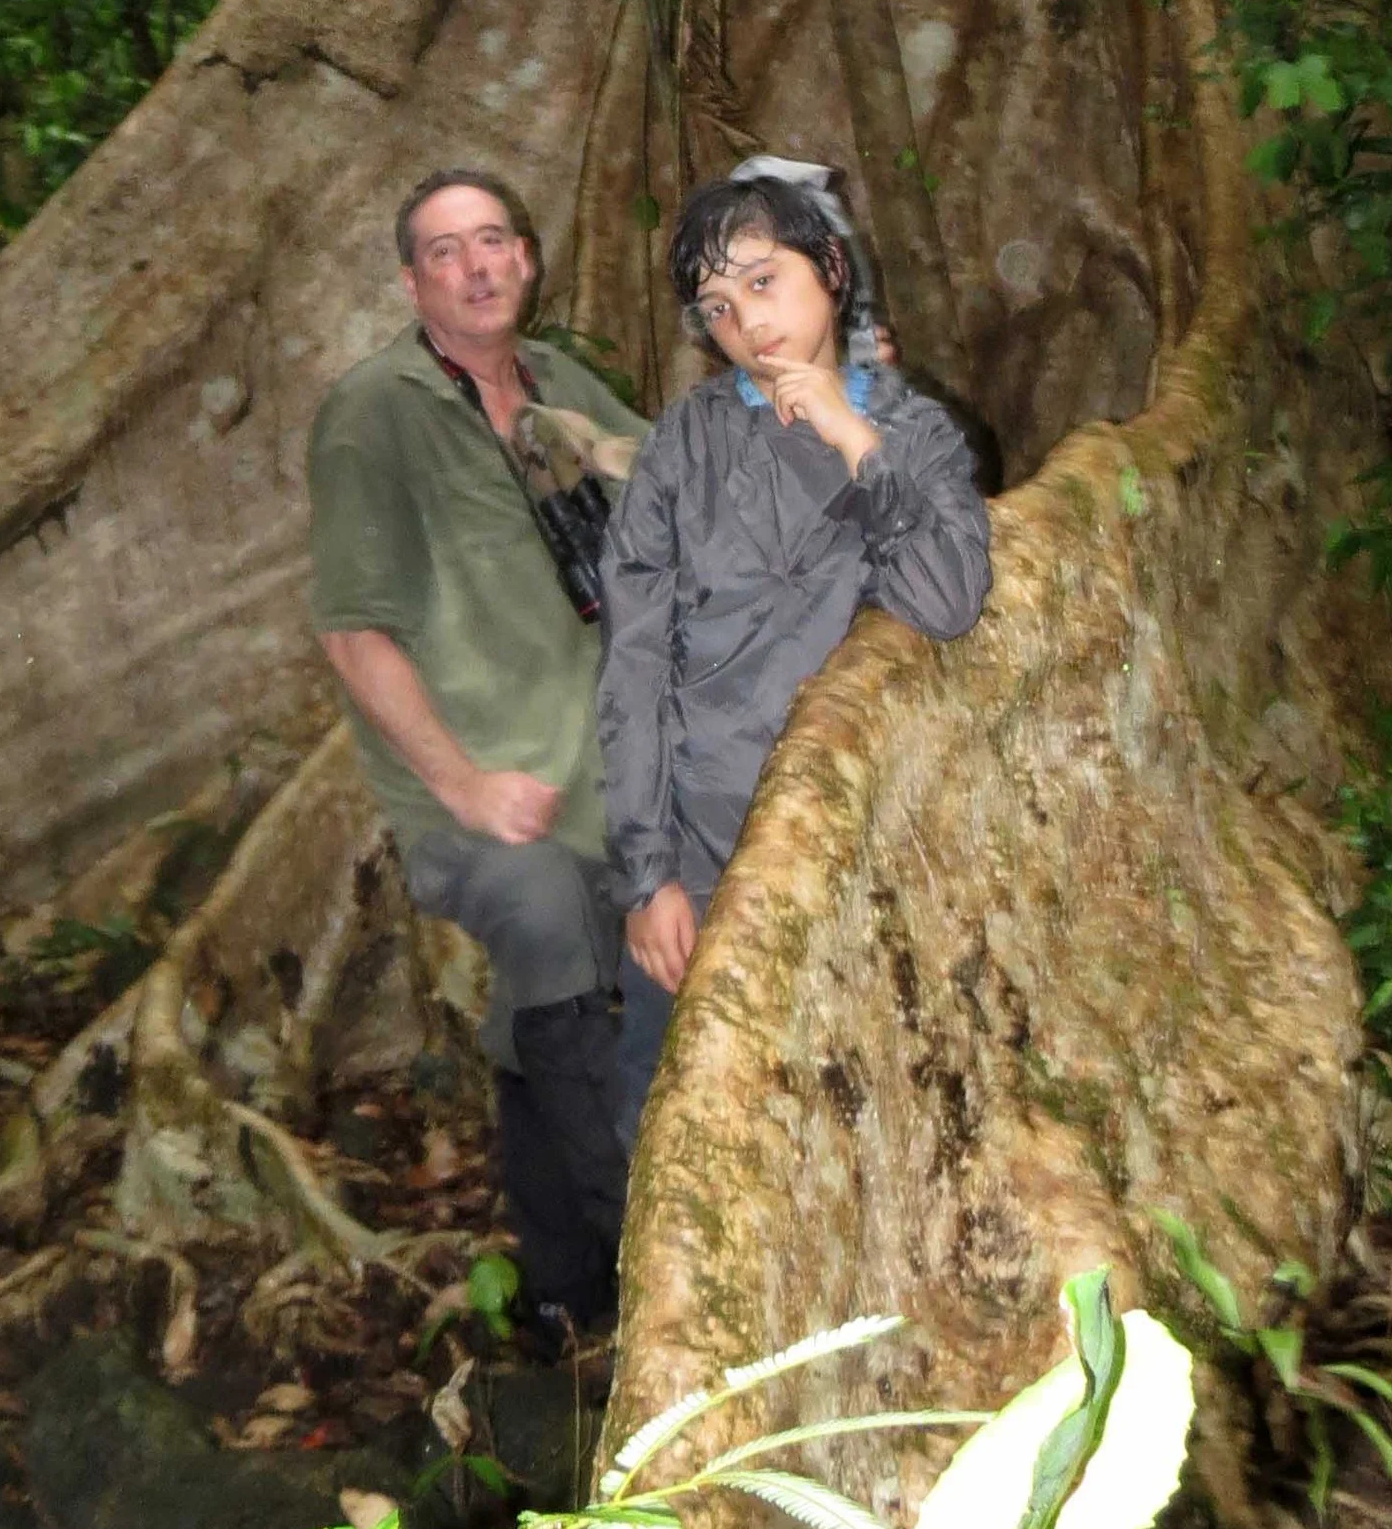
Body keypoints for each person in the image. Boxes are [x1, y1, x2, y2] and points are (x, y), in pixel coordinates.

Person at [308, 169, 648, 1330]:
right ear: (412, 281)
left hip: (603, 777)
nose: (478, 265)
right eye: (446, 251)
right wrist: (461, 781)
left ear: (529, 256)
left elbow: (683, 484)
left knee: (570, 992)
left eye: (494, 239)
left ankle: (560, 1289)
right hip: (476, 804)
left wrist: (834, 394)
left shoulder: (560, 385)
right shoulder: (379, 410)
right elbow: (352, 629)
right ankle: (661, 1275)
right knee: (552, 923)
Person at [597, 168, 991, 1147]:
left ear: (829, 267)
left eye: (764, 282)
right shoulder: (684, 443)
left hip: (859, 842)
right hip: (698, 844)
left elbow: (946, 597)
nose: (747, 323)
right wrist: (647, 875)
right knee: (672, 1125)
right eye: (719, 305)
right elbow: (634, 662)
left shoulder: (910, 432)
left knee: (852, 1120)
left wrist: (851, 433)